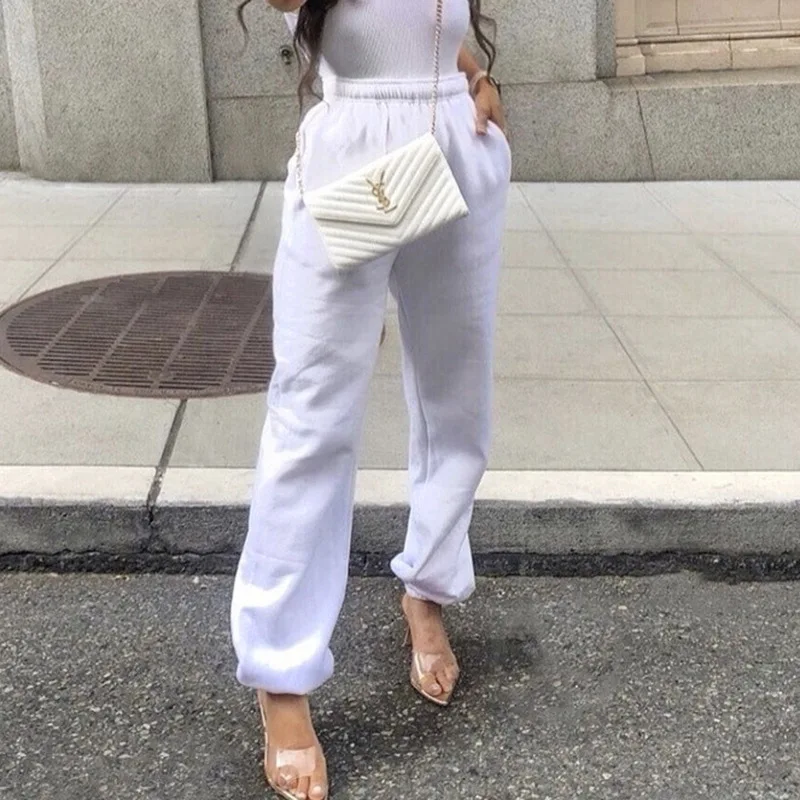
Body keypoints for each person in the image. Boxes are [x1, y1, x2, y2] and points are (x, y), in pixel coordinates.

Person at [231, 1, 510, 798]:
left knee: (458, 397)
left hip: (457, 147)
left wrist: (473, 75)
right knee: (312, 416)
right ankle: (280, 671)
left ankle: (428, 584)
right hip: (352, 155)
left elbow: (426, 25)